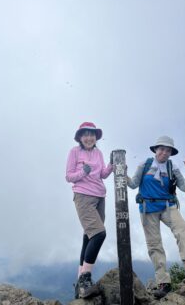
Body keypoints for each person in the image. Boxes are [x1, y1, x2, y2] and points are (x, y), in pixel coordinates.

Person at [127, 135, 185, 299]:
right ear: (155, 150)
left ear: (170, 153)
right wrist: (122, 173)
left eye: (168, 150)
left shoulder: (172, 167)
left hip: (168, 206)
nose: (164, 152)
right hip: (147, 208)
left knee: (183, 230)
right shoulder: (144, 165)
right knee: (155, 245)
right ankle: (163, 283)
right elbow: (132, 184)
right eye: (161, 149)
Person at [65, 122, 113, 299]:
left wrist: (111, 167)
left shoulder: (98, 153)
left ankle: (80, 284)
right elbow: (69, 176)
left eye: (91, 134)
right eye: (85, 134)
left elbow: (101, 174)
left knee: (89, 236)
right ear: (80, 138)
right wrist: (82, 173)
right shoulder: (74, 152)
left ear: (95, 137)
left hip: (100, 197)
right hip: (83, 196)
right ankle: (85, 278)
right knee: (99, 234)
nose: (88, 137)